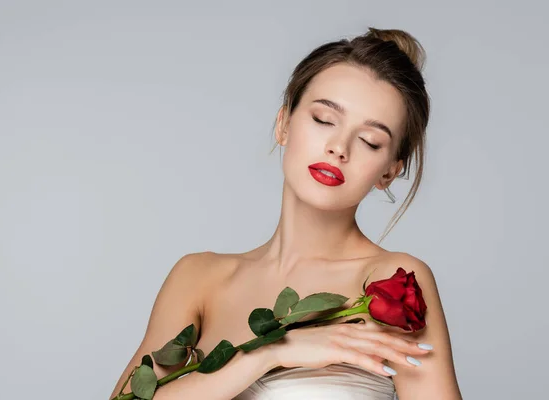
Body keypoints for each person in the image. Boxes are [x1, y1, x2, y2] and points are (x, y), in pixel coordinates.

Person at [109, 27, 462, 400]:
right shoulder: (197, 278)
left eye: (370, 141)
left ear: (389, 171)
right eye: (324, 119)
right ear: (283, 124)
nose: (338, 148)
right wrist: (270, 353)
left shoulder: (394, 286)